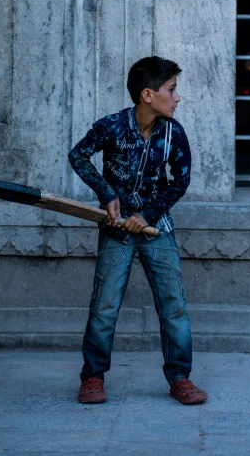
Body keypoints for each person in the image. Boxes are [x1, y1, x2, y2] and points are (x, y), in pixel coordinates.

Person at [68, 55, 208, 406]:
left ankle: (180, 378)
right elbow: (79, 155)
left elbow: (181, 180)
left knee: (173, 305)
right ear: (148, 95)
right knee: (105, 306)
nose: (177, 98)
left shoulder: (174, 133)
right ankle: (93, 377)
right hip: (116, 227)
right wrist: (106, 193)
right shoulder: (112, 127)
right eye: (172, 90)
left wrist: (148, 214)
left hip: (156, 228)